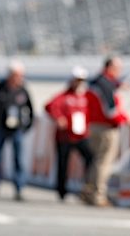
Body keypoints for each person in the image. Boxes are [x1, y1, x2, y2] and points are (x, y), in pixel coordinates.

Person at [83, 56, 130, 206]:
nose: (119, 72)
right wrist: (125, 119)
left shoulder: (96, 81)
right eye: (118, 69)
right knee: (104, 162)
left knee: (96, 161)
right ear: (111, 67)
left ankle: (88, 192)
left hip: (93, 125)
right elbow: (110, 111)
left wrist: (118, 85)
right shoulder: (106, 84)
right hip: (106, 128)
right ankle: (98, 195)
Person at [0, 60, 34, 200]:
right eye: (16, 75)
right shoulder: (0, 88)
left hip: (17, 129)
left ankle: (19, 189)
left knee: (19, 160)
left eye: (20, 75)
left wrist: (26, 126)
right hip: (1, 128)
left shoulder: (23, 89)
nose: (19, 78)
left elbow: (30, 110)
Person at [45, 66, 93, 201]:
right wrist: (59, 118)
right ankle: (62, 191)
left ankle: (87, 187)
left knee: (91, 159)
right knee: (63, 164)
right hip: (65, 136)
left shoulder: (85, 96)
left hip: (81, 135)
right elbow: (49, 106)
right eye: (77, 80)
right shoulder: (64, 96)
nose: (79, 82)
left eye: (81, 80)